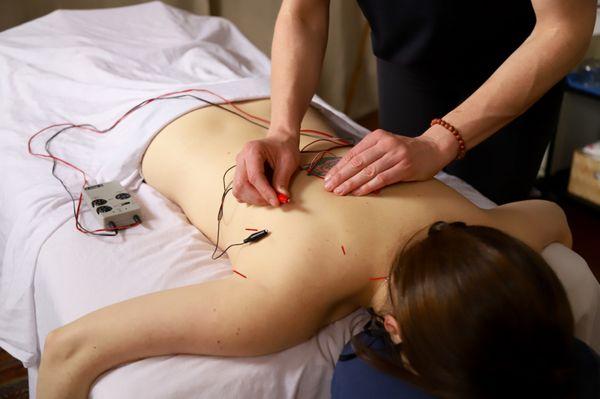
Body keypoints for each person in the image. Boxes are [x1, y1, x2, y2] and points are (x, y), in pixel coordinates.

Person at [36, 99, 585, 399]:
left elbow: (556, 216)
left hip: (274, 102)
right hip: (151, 116)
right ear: (394, 330)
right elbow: (69, 348)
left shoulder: (505, 232)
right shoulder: (280, 305)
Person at [233, 0, 597, 205]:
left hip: (511, 63)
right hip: (408, 55)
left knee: (484, 221)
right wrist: (282, 131)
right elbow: (303, 13)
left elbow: (563, 28)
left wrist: (437, 142)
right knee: (406, 202)